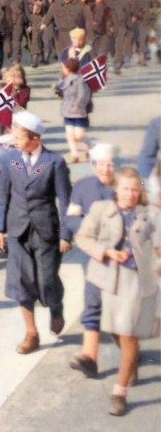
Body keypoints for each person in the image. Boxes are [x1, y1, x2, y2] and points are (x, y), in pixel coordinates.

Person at [74, 167, 161, 417]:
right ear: (116, 190)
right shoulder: (102, 209)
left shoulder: (151, 214)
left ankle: (119, 393)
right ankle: (130, 361)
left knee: (128, 334)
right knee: (116, 331)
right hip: (105, 279)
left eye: (135, 189)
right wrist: (107, 251)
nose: (130, 194)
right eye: (125, 189)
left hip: (136, 281)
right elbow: (83, 238)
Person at [0, 110, 72, 354]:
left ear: (35, 138)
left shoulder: (54, 162)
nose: (15, 141)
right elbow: (3, 195)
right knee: (20, 283)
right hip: (17, 230)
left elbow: (65, 201)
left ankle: (56, 307)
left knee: (47, 281)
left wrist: (66, 234)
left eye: (19, 136)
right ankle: (31, 333)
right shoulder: (11, 159)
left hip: (45, 231)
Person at [66, 143, 116, 381]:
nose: (106, 169)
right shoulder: (83, 187)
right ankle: (90, 357)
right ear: (93, 165)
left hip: (121, 257)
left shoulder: (124, 186)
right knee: (93, 302)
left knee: (120, 307)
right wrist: (88, 235)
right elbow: (72, 218)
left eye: (110, 164)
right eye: (102, 164)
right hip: (94, 255)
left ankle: (129, 354)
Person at [55, 56, 92, 163]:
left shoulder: (80, 81)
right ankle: (74, 153)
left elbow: (84, 94)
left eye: (64, 68)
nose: (62, 70)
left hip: (78, 112)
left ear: (69, 69)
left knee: (79, 135)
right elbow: (59, 89)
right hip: (67, 111)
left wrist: (77, 105)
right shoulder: (64, 80)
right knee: (70, 134)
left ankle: (90, 148)